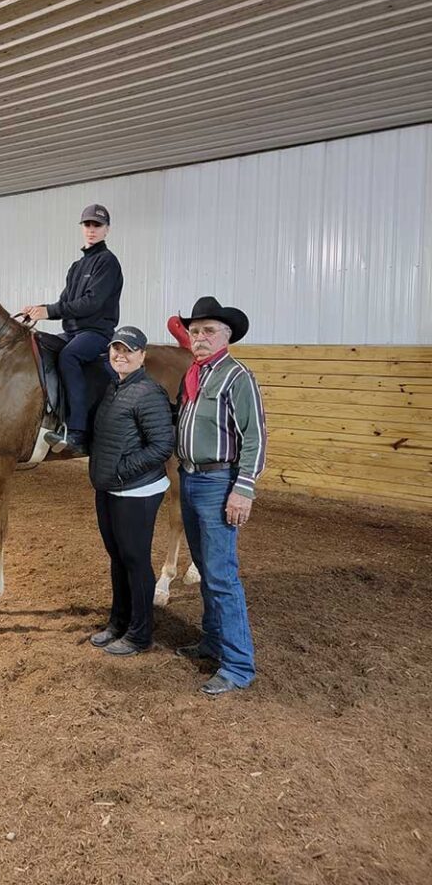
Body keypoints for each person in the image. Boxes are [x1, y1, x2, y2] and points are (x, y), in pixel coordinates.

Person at [167, 297, 266, 696]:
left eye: (209, 331)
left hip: (217, 483)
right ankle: (212, 640)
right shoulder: (194, 375)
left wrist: (243, 489)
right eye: (195, 331)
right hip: (190, 480)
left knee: (222, 574)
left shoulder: (237, 376)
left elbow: (255, 437)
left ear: (226, 336)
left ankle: (239, 664)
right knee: (206, 567)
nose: (201, 337)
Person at [87, 326, 174, 656]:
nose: (120, 355)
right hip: (109, 488)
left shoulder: (148, 392)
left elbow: (162, 444)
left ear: (142, 355)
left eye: (128, 350)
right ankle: (118, 622)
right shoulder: (114, 387)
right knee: (118, 557)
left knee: (135, 560)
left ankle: (140, 633)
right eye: (116, 349)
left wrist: (122, 470)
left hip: (136, 490)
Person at [23, 204, 123, 457]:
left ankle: (76, 431)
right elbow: (65, 301)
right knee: (40, 346)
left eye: (97, 226)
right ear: (82, 228)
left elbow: (92, 303)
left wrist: (49, 311)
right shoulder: (76, 266)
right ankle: (50, 418)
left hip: (96, 332)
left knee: (70, 356)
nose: (91, 230)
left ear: (106, 230)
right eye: (87, 225)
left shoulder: (108, 262)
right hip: (73, 332)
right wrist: (40, 308)